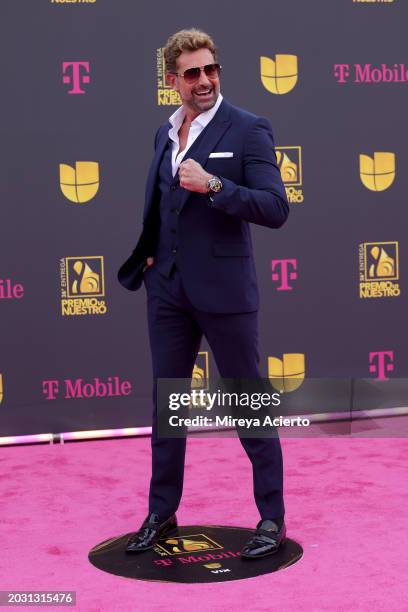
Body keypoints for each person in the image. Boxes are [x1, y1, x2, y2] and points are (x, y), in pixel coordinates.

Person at [118, 28, 289, 559]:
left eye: (210, 69)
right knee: (168, 405)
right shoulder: (164, 133)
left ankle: (271, 518)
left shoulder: (249, 128)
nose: (204, 81)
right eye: (191, 73)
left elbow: (275, 208)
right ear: (172, 81)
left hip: (225, 291)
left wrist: (213, 186)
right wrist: (150, 256)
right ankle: (161, 512)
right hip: (167, 290)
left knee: (248, 404)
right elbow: (160, 203)